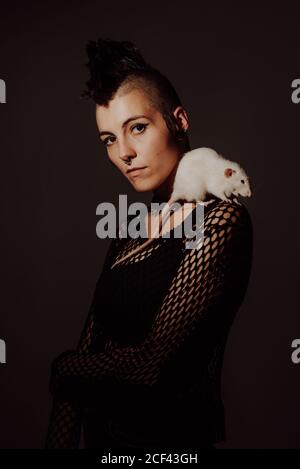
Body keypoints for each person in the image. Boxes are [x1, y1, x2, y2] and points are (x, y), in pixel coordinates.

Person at [44, 38, 253, 450]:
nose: (124, 153)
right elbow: (91, 346)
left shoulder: (221, 221)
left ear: (179, 120)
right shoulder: (130, 229)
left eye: (137, 128)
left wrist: (64, 367)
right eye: (108, 139)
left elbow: (150, 364)